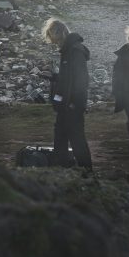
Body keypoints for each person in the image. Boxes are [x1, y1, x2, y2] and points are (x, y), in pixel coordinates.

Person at [42, 17, 93, 171]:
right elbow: (68, 78)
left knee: (77, 140)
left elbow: (81, 81)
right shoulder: (67, 51)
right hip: (65, 105)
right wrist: (53, 77)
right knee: (60, 138)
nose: (55, 43)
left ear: (61, 35)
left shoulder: (75, 51)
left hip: (72, 106)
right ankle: (62, 170)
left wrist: (75, 104)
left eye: (55, 40)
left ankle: (87, 172)